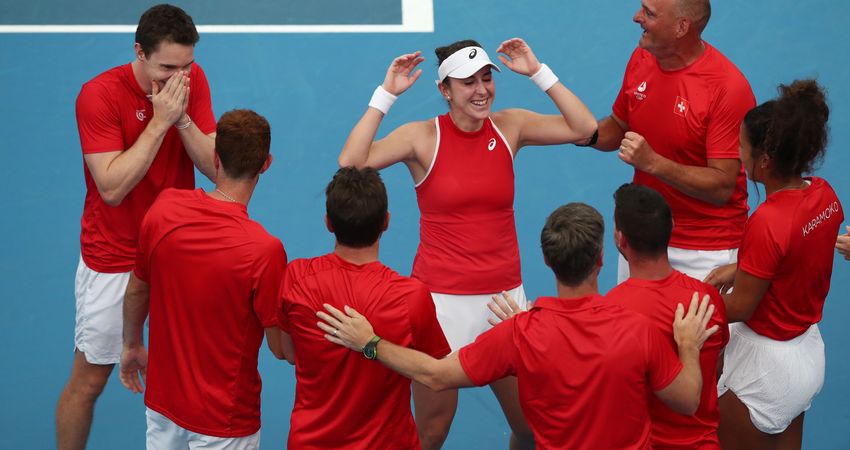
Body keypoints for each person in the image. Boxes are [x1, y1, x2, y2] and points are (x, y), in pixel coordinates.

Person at [338, 37, 597, 448]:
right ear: (445, 91)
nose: (481, 91)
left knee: (532, 427)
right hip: (439, 306)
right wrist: (386, 94)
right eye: (467, 82)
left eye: (486, 78)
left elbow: (585, 128)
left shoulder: (510, 125)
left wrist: (538, 72)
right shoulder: (421, 137)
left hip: (504, 303)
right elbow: (350, 163)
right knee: (432, 432)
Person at [318, 202, 720, 450]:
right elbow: (686, 401)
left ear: (547, 262)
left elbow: (435, 375)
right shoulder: (638, 329)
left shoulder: (520, 334)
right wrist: (686, 345)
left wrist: (369, 342)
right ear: (600, 259)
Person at [56, 4, 216, 449]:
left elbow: (215, 169)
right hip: (114, 259)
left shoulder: (190, 80)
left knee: (190, 378)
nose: (177, 78)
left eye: (186, 66)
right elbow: (112, 187)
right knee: (88, 382)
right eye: (166, 67)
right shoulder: (99, 95)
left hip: (173, 253)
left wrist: (181, 117)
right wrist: (161, 121)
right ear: (139, 53)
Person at [119, 109, 287, 449]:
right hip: (224, 421)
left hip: (163, 406)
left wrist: (132, 344)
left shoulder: (164, 208)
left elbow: (138, 290)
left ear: (215, 156)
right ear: (266, 164)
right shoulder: (264, 250)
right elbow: (281, 348)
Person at [704, 79, 843, 449]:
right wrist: (741, 268)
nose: (736, 153)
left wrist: (692, 302)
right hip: (807, 357)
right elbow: (797, 251)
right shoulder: (825, 195)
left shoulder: (766, 220)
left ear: (764, 161)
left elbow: (740, 306)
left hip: (764, 373)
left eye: (741, 147)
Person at [278, 167, 453, 449]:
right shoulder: (412, 297)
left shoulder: (296, 277)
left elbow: (289, 352)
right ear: (386, 222)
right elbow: (436, 378)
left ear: (328, 223)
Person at [590, 0, 755, 282]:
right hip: (642, 238)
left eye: (649, 13)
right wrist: (579, 132)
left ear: (682, 27)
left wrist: (653, 163)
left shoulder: (727, 88)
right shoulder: (642, 59)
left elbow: (721, 186)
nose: (636, 17)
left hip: (704, 252)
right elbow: (618, 126)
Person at [605, 183, 728, 449]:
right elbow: (716, 368)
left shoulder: (609, 313)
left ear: (620, 238)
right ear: (670, 228)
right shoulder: (708, 300)